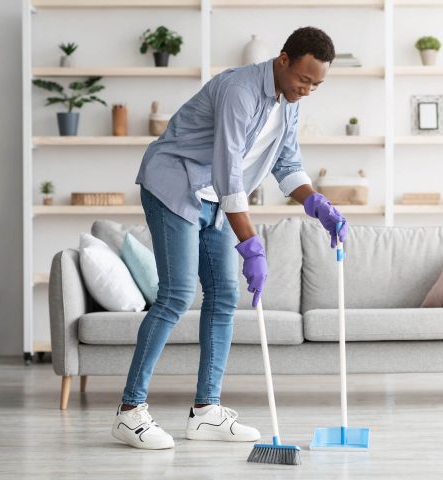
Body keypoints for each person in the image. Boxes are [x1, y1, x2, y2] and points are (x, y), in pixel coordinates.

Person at [111, 26, 349, 450]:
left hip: (215, 200)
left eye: (317, 84)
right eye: (304, 79)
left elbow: (287, 164)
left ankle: (206, 411)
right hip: (174, 184)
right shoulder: (240, 89)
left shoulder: (289, 102)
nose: (308, 90)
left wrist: (317, 204)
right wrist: (250, 244)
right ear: (283, 60)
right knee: (176, 295)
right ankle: (130, 412)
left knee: (223, 295)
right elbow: (228, 170)